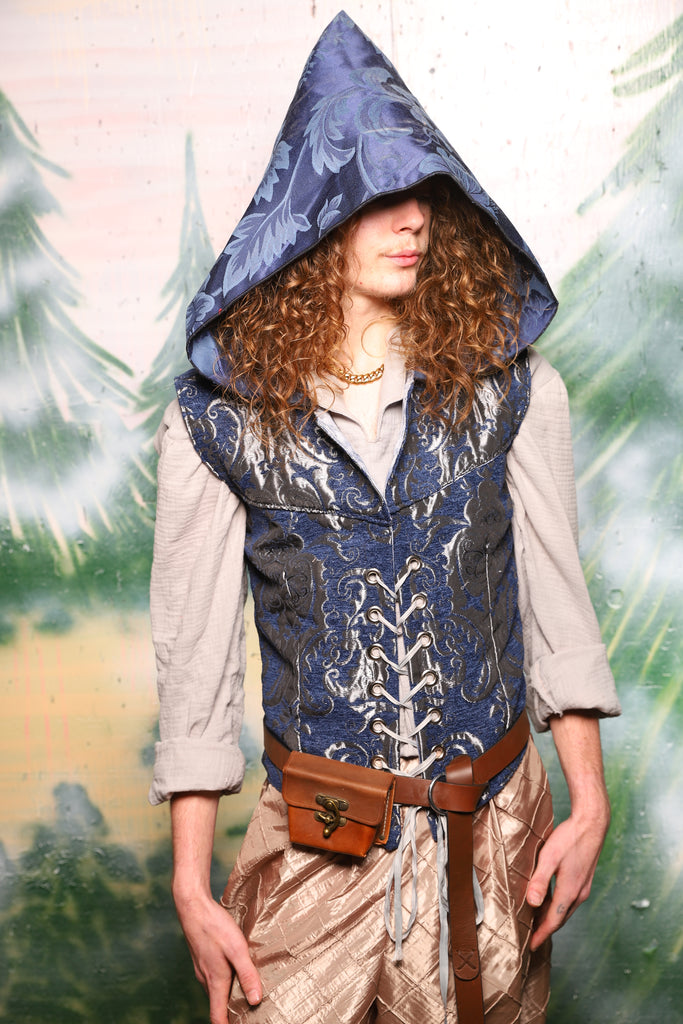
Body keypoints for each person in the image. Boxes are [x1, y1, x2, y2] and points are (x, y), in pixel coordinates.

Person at [149, 12, 621, 1024]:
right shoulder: (218, 424)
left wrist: (588, 802)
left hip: (494, 837)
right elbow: (196, 666)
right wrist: (191, 883)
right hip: (316, 845)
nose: (413, 221)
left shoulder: (509, 388)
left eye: (423, 195)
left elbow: (557, 610)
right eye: (379, 197)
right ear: (314, 214)